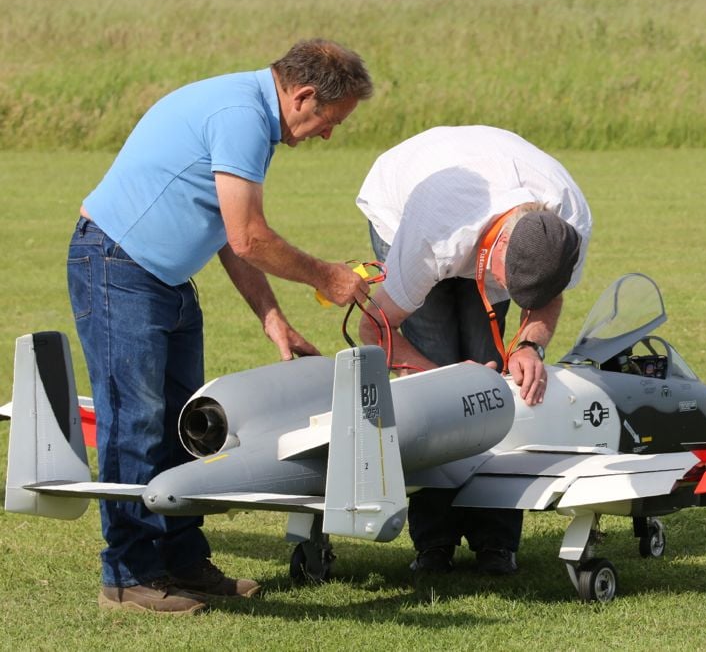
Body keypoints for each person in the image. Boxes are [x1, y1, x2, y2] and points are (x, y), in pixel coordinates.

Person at [67, 39, 373, 614]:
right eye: (328, 120)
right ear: (302, 94)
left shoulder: (251, 113)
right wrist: (326, 278)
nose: (326, 133)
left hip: (162, 279)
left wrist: (273, 319)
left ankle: (184, 564)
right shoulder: (242, 118)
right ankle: (128, 577)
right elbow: (248, 238)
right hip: (116, 268)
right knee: (134, 425)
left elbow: (230, 235)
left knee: (186, 428)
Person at [355, 125, 592, 575]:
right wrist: (438, 377)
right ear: (497, 247)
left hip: (480, 216)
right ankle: (434, 543)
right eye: (509, 281)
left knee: (497, 388)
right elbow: (375, 328)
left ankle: (496, 542)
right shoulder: (432, 235)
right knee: (436, 373)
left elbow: (547, 293)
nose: (513, 292)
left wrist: (529, 346)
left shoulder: (569, 225)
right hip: (406, 205)